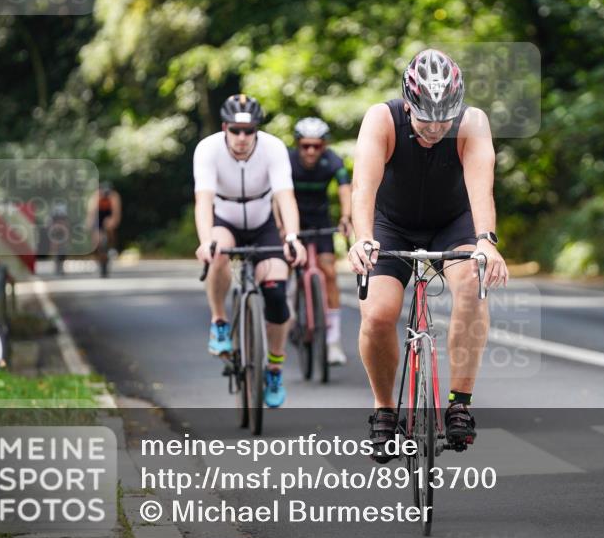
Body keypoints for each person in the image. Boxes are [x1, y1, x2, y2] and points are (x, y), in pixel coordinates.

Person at [347, 49, 508, 462]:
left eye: (444, 118)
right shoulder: (381, 119)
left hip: (452, 223)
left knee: (472, 283)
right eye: (425, 118)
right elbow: (363, 187)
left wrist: (487, 242)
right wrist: (363, 237)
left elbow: (480, 188)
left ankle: (459, 403)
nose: (437, 128)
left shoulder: (471, 123)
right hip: (391, 225)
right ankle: (385, 412)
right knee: (379, 313)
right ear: (407, 103)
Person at [193, 93, 306, 408]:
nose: (242, 138)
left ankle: (274, 368)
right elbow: (203, 201)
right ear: (225, 127)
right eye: (235, 130)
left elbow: (286, 197)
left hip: (262, 222)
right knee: (218, 252)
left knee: (276, 293)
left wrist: (293, 237)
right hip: (224, 218)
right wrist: (206, 240)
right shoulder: (208, 149)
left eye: (249, 131)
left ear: (257, 130)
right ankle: (219, 322)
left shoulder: (273, 148)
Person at [285, 117, 353, 366]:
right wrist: (281, 226)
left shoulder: (332, 160)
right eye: (305, 146)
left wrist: (346, 217)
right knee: (286, 269)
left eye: (316, 145)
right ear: (297, 144)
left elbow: (346, 189)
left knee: (329, 273)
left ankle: (333, 342)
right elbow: (277, 193)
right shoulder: (287, 162)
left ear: (324, 145)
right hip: (294, 222)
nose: (311, 151)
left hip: (321, 221)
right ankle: (291, 314)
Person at [87, 182, 122, 277]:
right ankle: (97, 255)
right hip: (98, 216)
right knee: (97, 239)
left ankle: (111, 246)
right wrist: (90, 226)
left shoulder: (114, 196)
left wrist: (113, 223)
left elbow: (116, 213)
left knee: (110, 226)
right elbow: (91, 213)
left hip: (108, 215)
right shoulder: (95, 197)